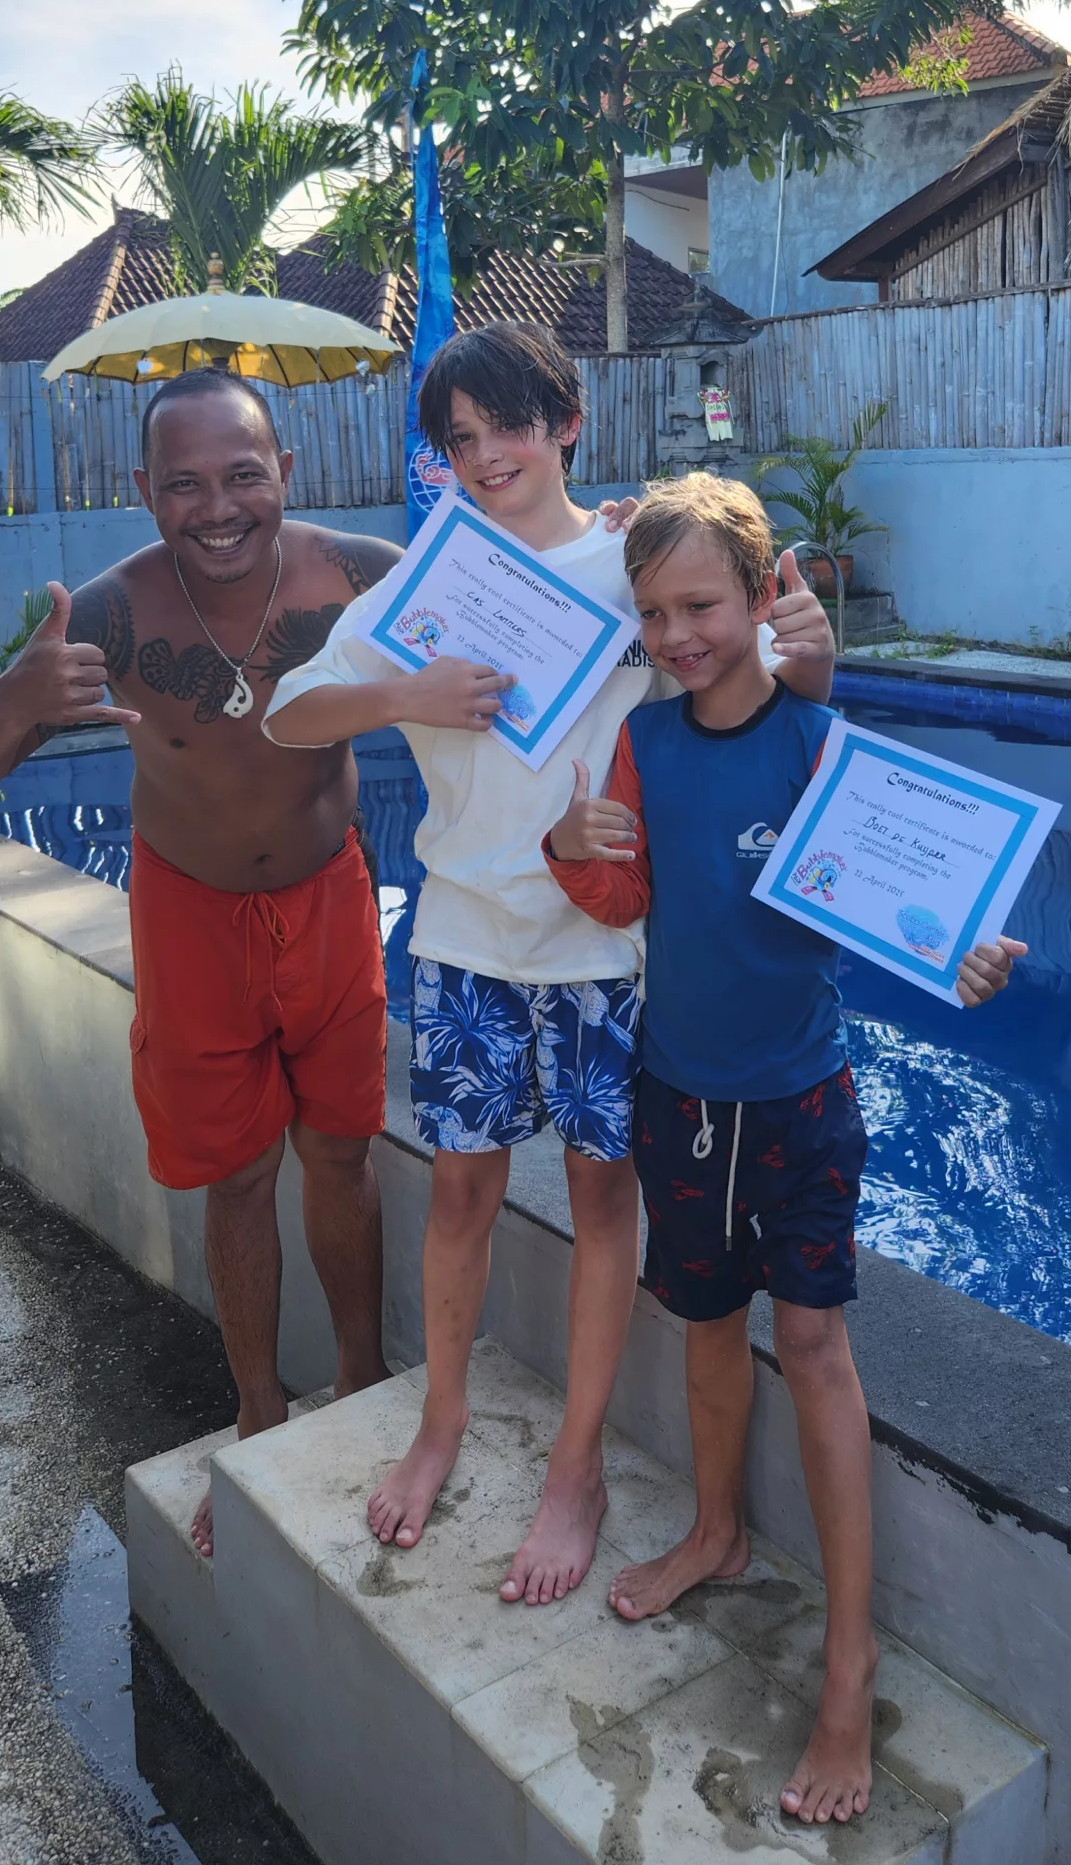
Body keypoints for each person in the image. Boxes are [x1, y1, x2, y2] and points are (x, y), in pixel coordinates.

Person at [261, 321, 838, 1607]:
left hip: (607, 950)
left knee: (597, 1203)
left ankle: (573, 1464)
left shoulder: (627, 564)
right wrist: (402, 696)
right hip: (466, 938)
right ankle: (442, 1421)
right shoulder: (426, 583)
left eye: (505, 428)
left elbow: (748, 670)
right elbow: (287, 711)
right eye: (456, 441)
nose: (483, 458)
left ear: (565, 422)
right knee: (459, 1192)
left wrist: (808, 643)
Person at [543, 472, 1025, 1829]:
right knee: (703, 1326)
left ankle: (847, 1662)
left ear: (765, 598)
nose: (676, 633)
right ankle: (716, 1528)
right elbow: (623, 889)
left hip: (801, 1101)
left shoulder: (821, 744)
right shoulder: (644, 742)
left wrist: (966, 953)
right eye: (652, 613)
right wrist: (565, 842)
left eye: (700, 604)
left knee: (811, 1349)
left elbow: (906, 901)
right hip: (679, 1097)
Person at [0, 367, 437, 1556]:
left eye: (244, 475)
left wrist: (609, 538)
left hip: (326, 900)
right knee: (237, 1173)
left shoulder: (360, 577)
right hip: (191, 912)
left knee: (341, 1153)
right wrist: (15, 696)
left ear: (287, 474)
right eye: (187, 483)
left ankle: (361, 1372)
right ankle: (256, 1405)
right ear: (147, 491)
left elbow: (535, 616)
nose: (219, 506)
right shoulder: (110, 612)